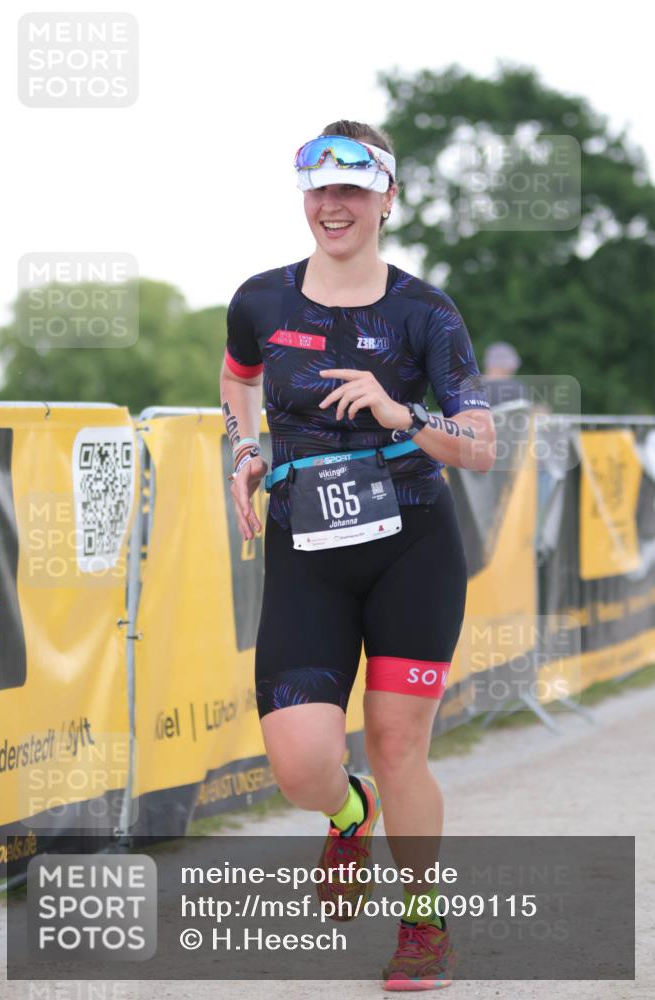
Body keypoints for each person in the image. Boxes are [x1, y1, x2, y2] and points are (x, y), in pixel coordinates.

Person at [220, 120, 496, 991]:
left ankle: (424, 924)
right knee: (302, 762)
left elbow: (481, 446)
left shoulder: (426, 312)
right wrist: (245, 449)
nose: (332, 207)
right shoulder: (261, 299)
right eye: (319, 191)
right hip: (307, 549)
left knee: (395, 741)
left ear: (387, 198)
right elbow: (238, 378)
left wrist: (399, 412)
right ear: (304, 197)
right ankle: (350, 813)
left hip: (412, 547)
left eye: (352, 190)